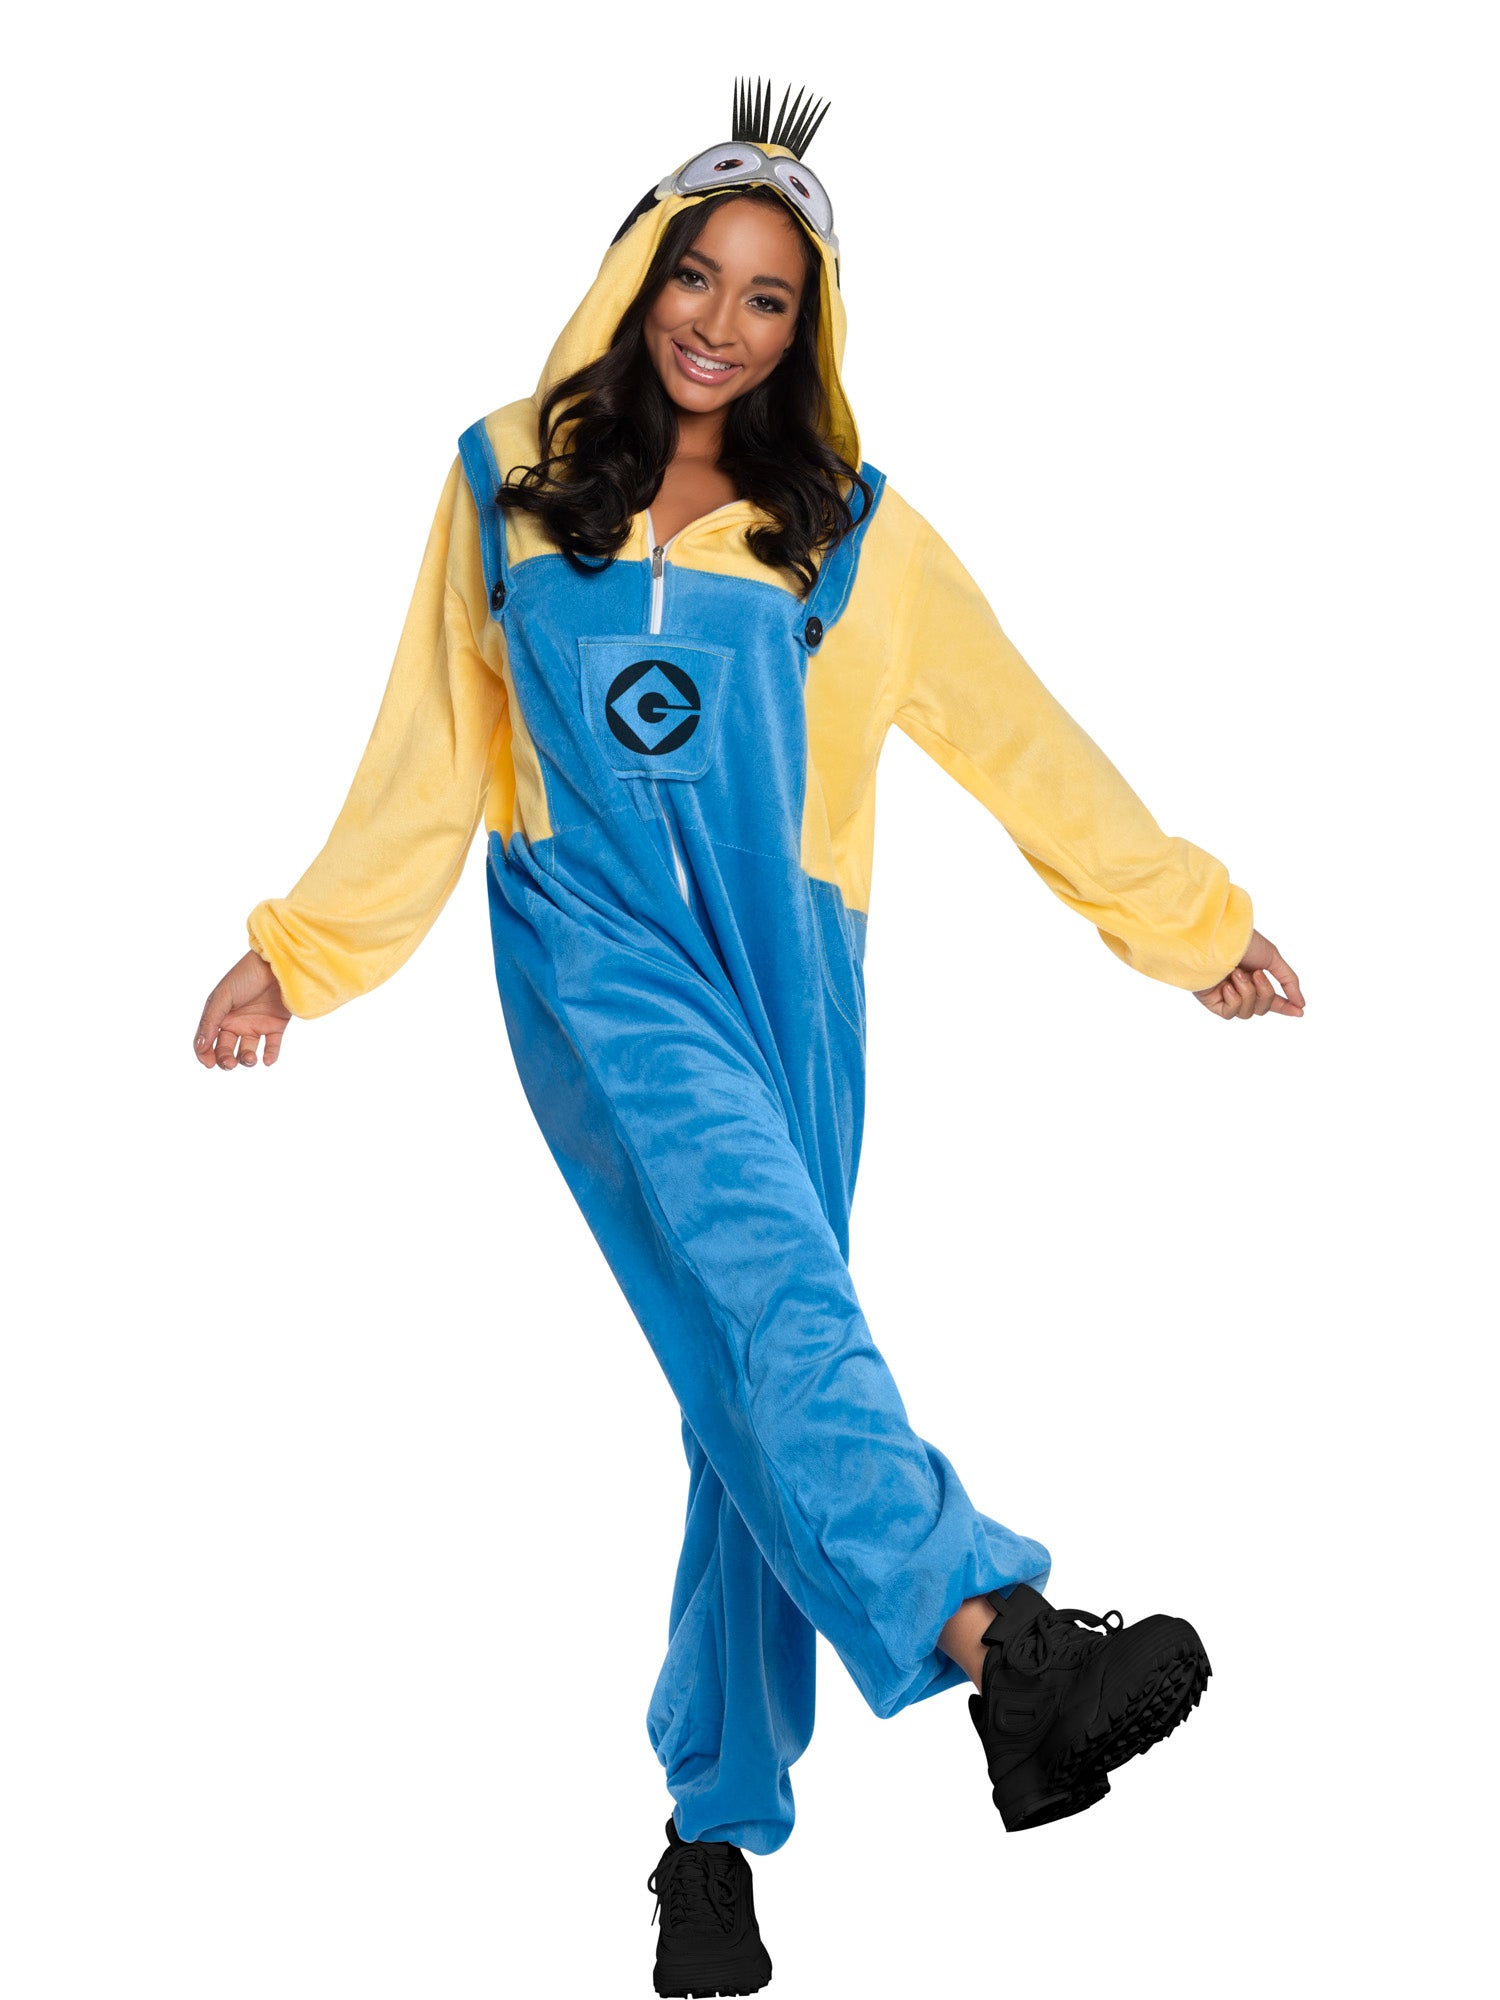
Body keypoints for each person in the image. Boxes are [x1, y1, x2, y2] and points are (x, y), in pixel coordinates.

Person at [194, 77, 1305, 1998]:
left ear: (810, 328)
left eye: (768, 297)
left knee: (757, 1380)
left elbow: (1019, 735)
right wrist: (303, 954)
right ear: (636, 275)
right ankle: (1005, 1644)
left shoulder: (848, 532)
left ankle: (710, 1839)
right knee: (783, 1313)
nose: (720, 321)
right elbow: (430, 750)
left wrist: (1186, 923)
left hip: (796, 978)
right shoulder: (504, 479)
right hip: (599, 962)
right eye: (694, 275)